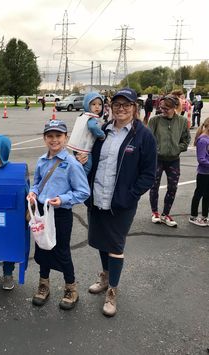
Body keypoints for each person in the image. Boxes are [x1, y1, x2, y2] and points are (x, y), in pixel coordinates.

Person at [84, 88, 157, 317]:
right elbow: (89, 159)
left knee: (115, 246)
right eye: (117, 104)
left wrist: (130, 195)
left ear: (135, 107)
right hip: (97, 197)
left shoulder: (143, 136)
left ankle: (112, 290)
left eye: (127, 105)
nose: (121, 108)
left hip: (121, 203)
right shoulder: (102, 130)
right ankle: (105, 277)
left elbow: (148, 173)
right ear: (111, 107)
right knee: (101, 242)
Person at [27, 120, 90, 310]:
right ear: (44, 138)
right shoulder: (41, 160)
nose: (54, 140)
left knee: (62, 251)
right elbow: (37, 183)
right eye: (50, 136)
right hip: (42, 212)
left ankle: (71, 288)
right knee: (43, 249)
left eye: (58, 136)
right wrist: (33, 193)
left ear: (66, 138)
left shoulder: (71, 163)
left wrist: (62, 199)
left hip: (60, 214)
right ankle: (43, 285)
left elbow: (83, 191)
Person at [0, 134, 28, 290]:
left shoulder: (15, 171)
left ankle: (8, 273)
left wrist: (29, 209)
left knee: (9, 242)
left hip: (10, 215)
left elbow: (25, 192)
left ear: (4, 150)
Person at [148, 95, 191, 227]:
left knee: (173, 187)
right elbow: (148, 139)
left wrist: (178, 148)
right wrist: (156, 149)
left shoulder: (182, 121)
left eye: (166, 108)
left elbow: (186, 139)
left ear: (174, 108)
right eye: (161, 108)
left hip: (173, 159)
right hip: (157, 159)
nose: (163, 110)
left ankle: (166, 214)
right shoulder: (155, 120)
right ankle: (154, 212)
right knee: (154, 185)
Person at [67, 92, 105, 174]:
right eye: (93, 104)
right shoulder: (91, 117)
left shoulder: (83, 116)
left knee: (81, 164)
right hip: (84, 147)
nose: (97, 106)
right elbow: (92, 127)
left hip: (77, 146)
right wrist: (102, 135)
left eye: (100, 104)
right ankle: (81, 181)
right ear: (87, 105)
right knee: (87, 166)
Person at [188, 117, 209, 226]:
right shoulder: (203, 140)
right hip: (203, 173)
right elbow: (201, 159)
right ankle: (193, 216)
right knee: (199, 194)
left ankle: (205, 217)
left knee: (207, 195)